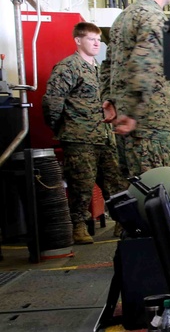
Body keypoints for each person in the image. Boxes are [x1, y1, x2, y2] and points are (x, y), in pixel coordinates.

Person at [43, 22, 130, 244]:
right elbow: (52, 102)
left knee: (117, 184)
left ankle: (123, 222)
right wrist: (62, 128)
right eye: (91, 39)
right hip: (79, 138)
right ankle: (79, 227)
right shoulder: (68, 67)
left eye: (98, 39)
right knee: (81, 185)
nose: (96, 43)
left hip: (104, 137)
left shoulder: (99, 71)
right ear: (78, 40)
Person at [104, 0, 170, 176]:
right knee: (157, 189)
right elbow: (144, 63)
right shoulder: (154, 17)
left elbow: (107, 65)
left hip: (123, 120)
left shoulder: (122, 18)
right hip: (147, 123)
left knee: (134, 190)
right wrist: (134, 114)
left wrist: (107, 99)